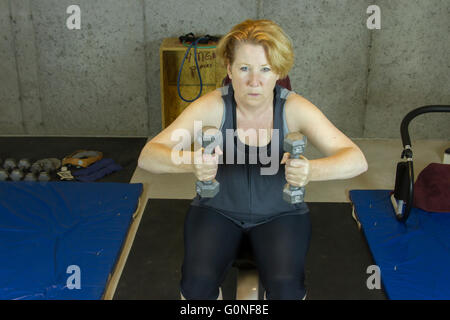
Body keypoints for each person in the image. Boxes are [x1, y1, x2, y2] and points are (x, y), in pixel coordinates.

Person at [138, 19, 368, 300]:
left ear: (279, 72)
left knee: (286, 288)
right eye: (244, 68)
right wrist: (190, 161)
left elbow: (356, 159)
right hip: (217, 211)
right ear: (229, 69)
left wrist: (311, 171)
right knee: (196, 287)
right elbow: (148, 156)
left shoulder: (294, 108)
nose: (254, 81)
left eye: (265, 69)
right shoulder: (211, 107)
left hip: (281, 214)